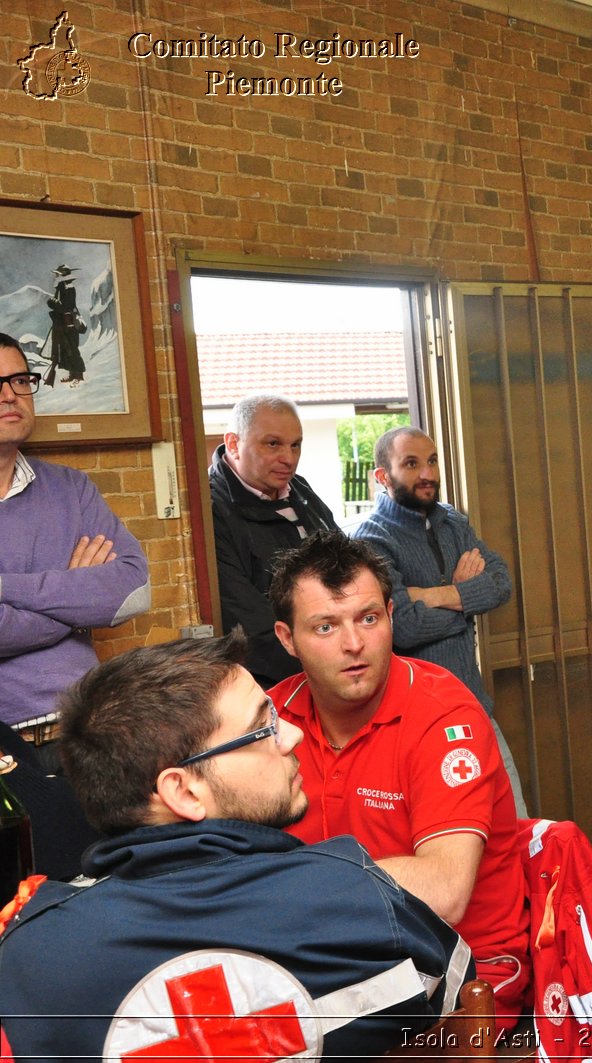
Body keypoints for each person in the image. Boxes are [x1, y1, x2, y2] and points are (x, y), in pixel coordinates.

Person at [0, 631, 472, 1060]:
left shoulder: (27, 953)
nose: (292, 735)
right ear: (183, 791)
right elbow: (460, 1012)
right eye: (262, 727)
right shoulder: (353, 895)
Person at [267, 531, 531, 1027]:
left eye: (368, 619)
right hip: (339, 958)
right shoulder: (271, 719)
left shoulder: (442, 713)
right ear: (287, 639)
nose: (354, 644)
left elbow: (445, 889)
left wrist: (284, 887)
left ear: (390, 615)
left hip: (463, 968)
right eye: (325, 627)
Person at [0, 332, 149, 877]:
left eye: (20, 380)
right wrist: (71, 592)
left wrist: (7, 586)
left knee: (109, 889)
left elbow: (131, 590)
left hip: (86, 733)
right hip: (5, 752)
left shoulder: (72, 489)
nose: (11, 394)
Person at [351, 425, 528, 817]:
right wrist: (467, 606)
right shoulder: (370, 540)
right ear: (383, 476)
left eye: (431, 461)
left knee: (515, 824)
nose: (428, 473)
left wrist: (434, 596)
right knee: (452, 832)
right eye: (411, 464)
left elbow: (501, 583)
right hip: (415, 722)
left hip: (474, 703)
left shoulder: (453, 523)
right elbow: (403, 627)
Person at [210, 393, 338, 688]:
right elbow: (248, 626)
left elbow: (346, 566)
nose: (289, 458)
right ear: (233, 444)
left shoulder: (298, 488)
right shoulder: (212, 511)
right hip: (273, 686)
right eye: (273, 444)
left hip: (328, 666)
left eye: (296, 445)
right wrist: (328, 665)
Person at [45, 265, 87, 386]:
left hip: (68, 325)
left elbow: (66, 307)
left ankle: (78, 376)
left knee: (72, 350)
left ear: (62, 275)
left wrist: (52, 303)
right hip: (63, 325)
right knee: (66, 350)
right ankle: (73, 375)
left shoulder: (67, 287)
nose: (55, 276)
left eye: (57, 274)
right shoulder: (63, 286)